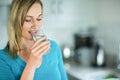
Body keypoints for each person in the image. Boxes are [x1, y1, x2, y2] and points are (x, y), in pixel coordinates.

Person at [0, 0, 68, 80]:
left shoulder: (53, 47)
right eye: (28, 20)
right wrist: (31, 64)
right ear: (15, 21)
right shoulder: (2, 59)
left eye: (39, 19)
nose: (35, 26)